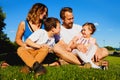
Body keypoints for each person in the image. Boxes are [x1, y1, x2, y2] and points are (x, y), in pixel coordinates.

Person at [0, 3, 48, 68]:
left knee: (49, 55)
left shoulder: (45, 25)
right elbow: (17, 39)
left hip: (40, 51)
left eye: (46, 12)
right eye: (43, 11)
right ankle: (38, 64)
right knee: (11, 55)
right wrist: (25, 46)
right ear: (36, 10)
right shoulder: (23, 24)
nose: (45, 13)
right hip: (28, 50)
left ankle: (30, 65)